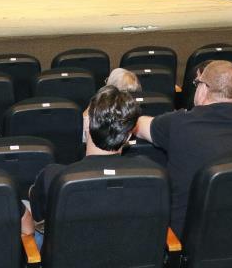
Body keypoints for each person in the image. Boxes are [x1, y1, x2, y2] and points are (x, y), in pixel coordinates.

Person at [135, 60, 232, 237]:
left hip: (187, 236)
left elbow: (139, 125)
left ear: (204, 88)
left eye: (197, 83)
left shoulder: (179, 123)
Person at [24, 85, 153, 240]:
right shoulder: (151, 176)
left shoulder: (53, 177)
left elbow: (39, 216)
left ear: (86, 124)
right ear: (128, 137)